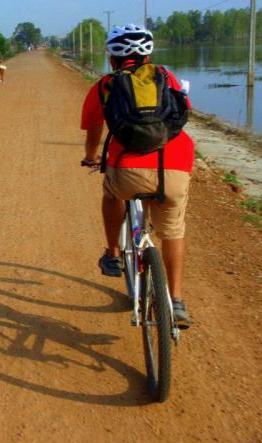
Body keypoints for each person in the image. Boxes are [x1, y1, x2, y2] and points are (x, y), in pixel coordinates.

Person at [80, 24, 194, 328]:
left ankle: (113, 253)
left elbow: (94, 129)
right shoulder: (166, 77)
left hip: (126, 168)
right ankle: (178, 301)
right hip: (174, 166)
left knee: (111, 193)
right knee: (172, 230)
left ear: (112, 57)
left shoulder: (105, 84)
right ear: (149, 54)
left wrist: (91, 157)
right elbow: (183, 113)